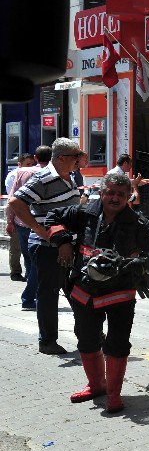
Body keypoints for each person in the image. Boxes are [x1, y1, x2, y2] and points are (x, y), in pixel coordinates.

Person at [42, 171, 149, 413]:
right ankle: (95, 386)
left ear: (129, 196)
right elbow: (52, 218)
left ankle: (113, 394)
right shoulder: (84, 211)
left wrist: (145, 263)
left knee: (118, 343)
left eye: (121, 194)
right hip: (83, 291)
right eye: (110, 192)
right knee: (86, 339)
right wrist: (64, 242)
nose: (114, 198)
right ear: (102, 193)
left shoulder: (137, 222)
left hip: (120, 293)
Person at [8, 138, 83, 354]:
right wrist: (40, 230)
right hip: (47, 247)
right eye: (75, 156)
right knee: (49, 294)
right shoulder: (44, 177)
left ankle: (90, 334)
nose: (79, 160)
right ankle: (47, 341)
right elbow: (16, 202)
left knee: (77, 291)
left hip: (70, 245)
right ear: (61, 158)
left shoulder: (69, 176)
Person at [7, 147, 50, 308]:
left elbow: (12, 199)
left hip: (21, 223)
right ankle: (29, 297)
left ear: (35, 157)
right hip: (38, 225)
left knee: (31, 262)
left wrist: (10, 220)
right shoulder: (50, 174)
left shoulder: (21, 172)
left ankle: (33, 295)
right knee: (37, 264)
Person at [5, 152, 36, 281]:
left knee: (28, 250)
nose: (30, 166)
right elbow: (12, 199)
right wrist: (10, 220)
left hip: (30, 216)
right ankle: (16, 272)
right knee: (16, 246)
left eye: (31, 164)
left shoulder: (34, 173)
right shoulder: (13, 176)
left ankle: (29, 274)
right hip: (18, 216)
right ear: (20, 164)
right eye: (27, 164)